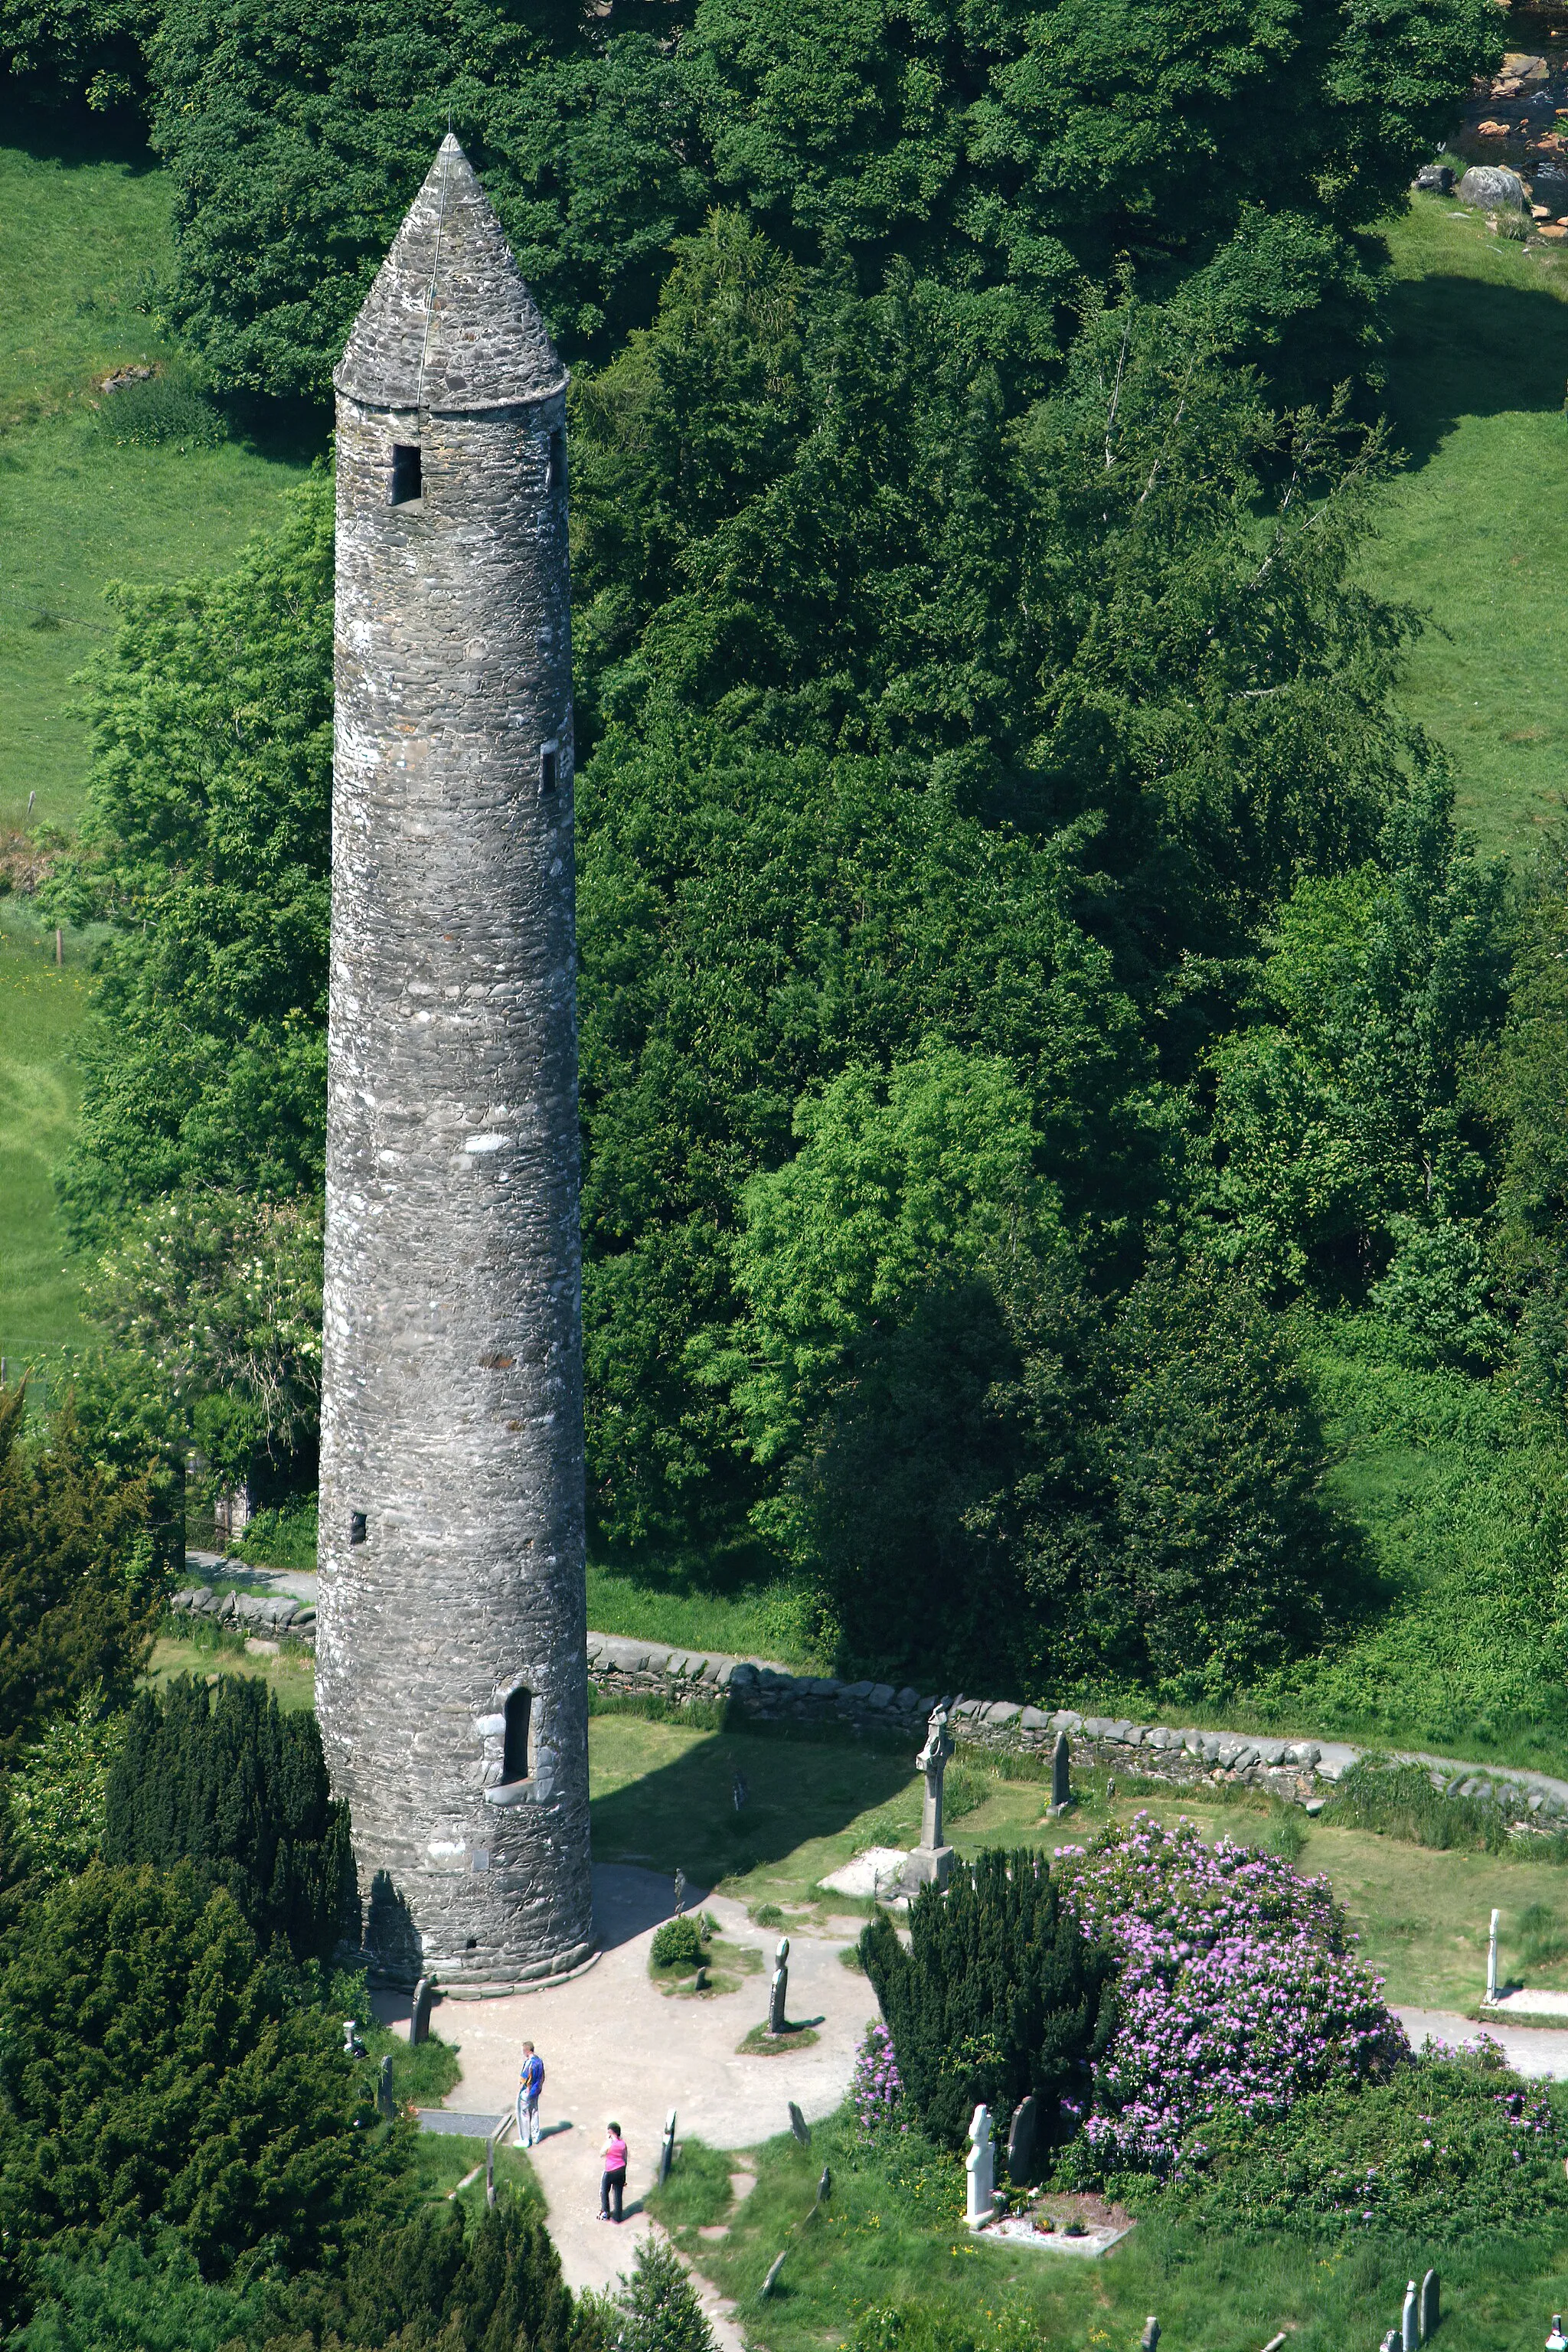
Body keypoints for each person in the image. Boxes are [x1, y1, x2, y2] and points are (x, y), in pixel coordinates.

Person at [516, 2042, 544, 2148]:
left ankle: (526, 2139)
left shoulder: (529, 2063)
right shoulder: (539, 2061)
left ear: (527, 2051)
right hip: (536, 2091)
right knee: (535, 2112)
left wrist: (522, 2086)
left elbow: (523, 2078)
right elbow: (542, 2076)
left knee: (524, 2115)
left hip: (527, 2093)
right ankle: (536, 2136)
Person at [599, 2119, 628, 2221]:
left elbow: (601, 2153)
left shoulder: (609, 2143)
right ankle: (618, 2217)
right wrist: (624, 2176)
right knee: (618, 2194)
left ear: (611, 2132)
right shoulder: (623, 2144)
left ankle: (606, 2212)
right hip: (620, 2171)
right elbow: (625, 2159)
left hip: (610, 2171)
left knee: (604, 2191)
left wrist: (608, 2141)